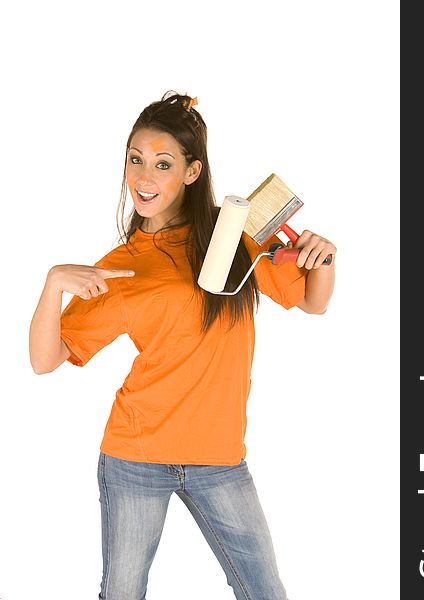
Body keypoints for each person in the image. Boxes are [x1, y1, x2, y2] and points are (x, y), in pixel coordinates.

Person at [29, 90, 336, 600]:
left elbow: (313, 302)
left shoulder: (234, 235)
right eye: (136, 160)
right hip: (136, 454)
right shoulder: (123, 264)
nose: (144, 178)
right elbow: (45, 359)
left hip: (220, 459)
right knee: (122, 592)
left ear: (192, 172)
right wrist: (53, 282)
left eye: (162, 164)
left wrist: (323, 258)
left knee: (266, 592)